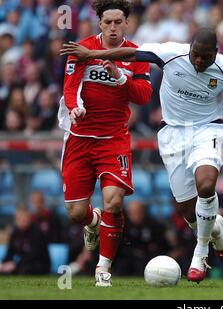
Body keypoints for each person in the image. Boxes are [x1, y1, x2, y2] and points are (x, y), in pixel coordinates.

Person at [60, 27, 223, 282]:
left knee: (206, 185)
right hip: (173, 134)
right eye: (195, 54)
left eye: (205, 56)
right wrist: (90, 54)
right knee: (187, 208)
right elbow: (132, 53)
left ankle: (201, 252)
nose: (198, 61)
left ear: (215, 53)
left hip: (209, 129)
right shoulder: (171, 53)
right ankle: (215, 231)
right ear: (190, 47)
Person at [58, 0, 153, 287]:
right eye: (107, 22)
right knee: (76, 213)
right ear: (100, 23)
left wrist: (120, 76)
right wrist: (75, 107)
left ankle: (103, 269)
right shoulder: (82, 48)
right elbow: (70, 86)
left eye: (118, 22)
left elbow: (144, 96)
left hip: (114, 140)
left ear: (127, 23)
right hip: (79, 138)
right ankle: (92, 220)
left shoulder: (136, 55)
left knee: (114, 201)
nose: (113, 27)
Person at [0, 207, 50, 275]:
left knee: (25, 270)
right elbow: (10, 252)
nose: (23, 221)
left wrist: (15, 265)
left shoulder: (37, 232)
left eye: (25, 219)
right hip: (22, 263)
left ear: (29, 219)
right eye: (20, 219)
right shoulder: (15, 233)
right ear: (16, 220)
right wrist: (4, 264)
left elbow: (34, 254)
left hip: (38, 264)